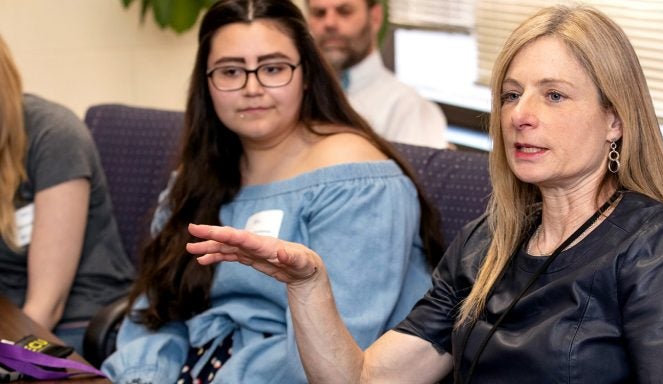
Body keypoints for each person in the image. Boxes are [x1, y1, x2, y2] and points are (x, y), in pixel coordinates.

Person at [187, 4, 663, 383]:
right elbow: (361, 379)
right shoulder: (485, 243)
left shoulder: (656, 248)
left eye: (554, 95)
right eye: (511, 95)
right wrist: (309, 285)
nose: (520, 115)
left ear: (615, 122)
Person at [101, 0, 443, 382]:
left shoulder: (356, 179)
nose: (252, 88)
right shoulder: (200, 174)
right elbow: (158, 307)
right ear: (207, 84)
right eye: (230, 71)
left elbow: (334, 360)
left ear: (307, 75)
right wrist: (142, 376)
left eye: (273, 68)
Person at [0, 35, 134, 355]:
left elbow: (47, 305)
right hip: (8, 315)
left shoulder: (54, 135)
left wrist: (8, 357)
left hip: (73, 324)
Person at [306, 0, 449, 149]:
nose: (329, 23)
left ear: (375, 17)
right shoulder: (298, 97)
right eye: (319, 13)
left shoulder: (408, 108)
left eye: (344, 11)